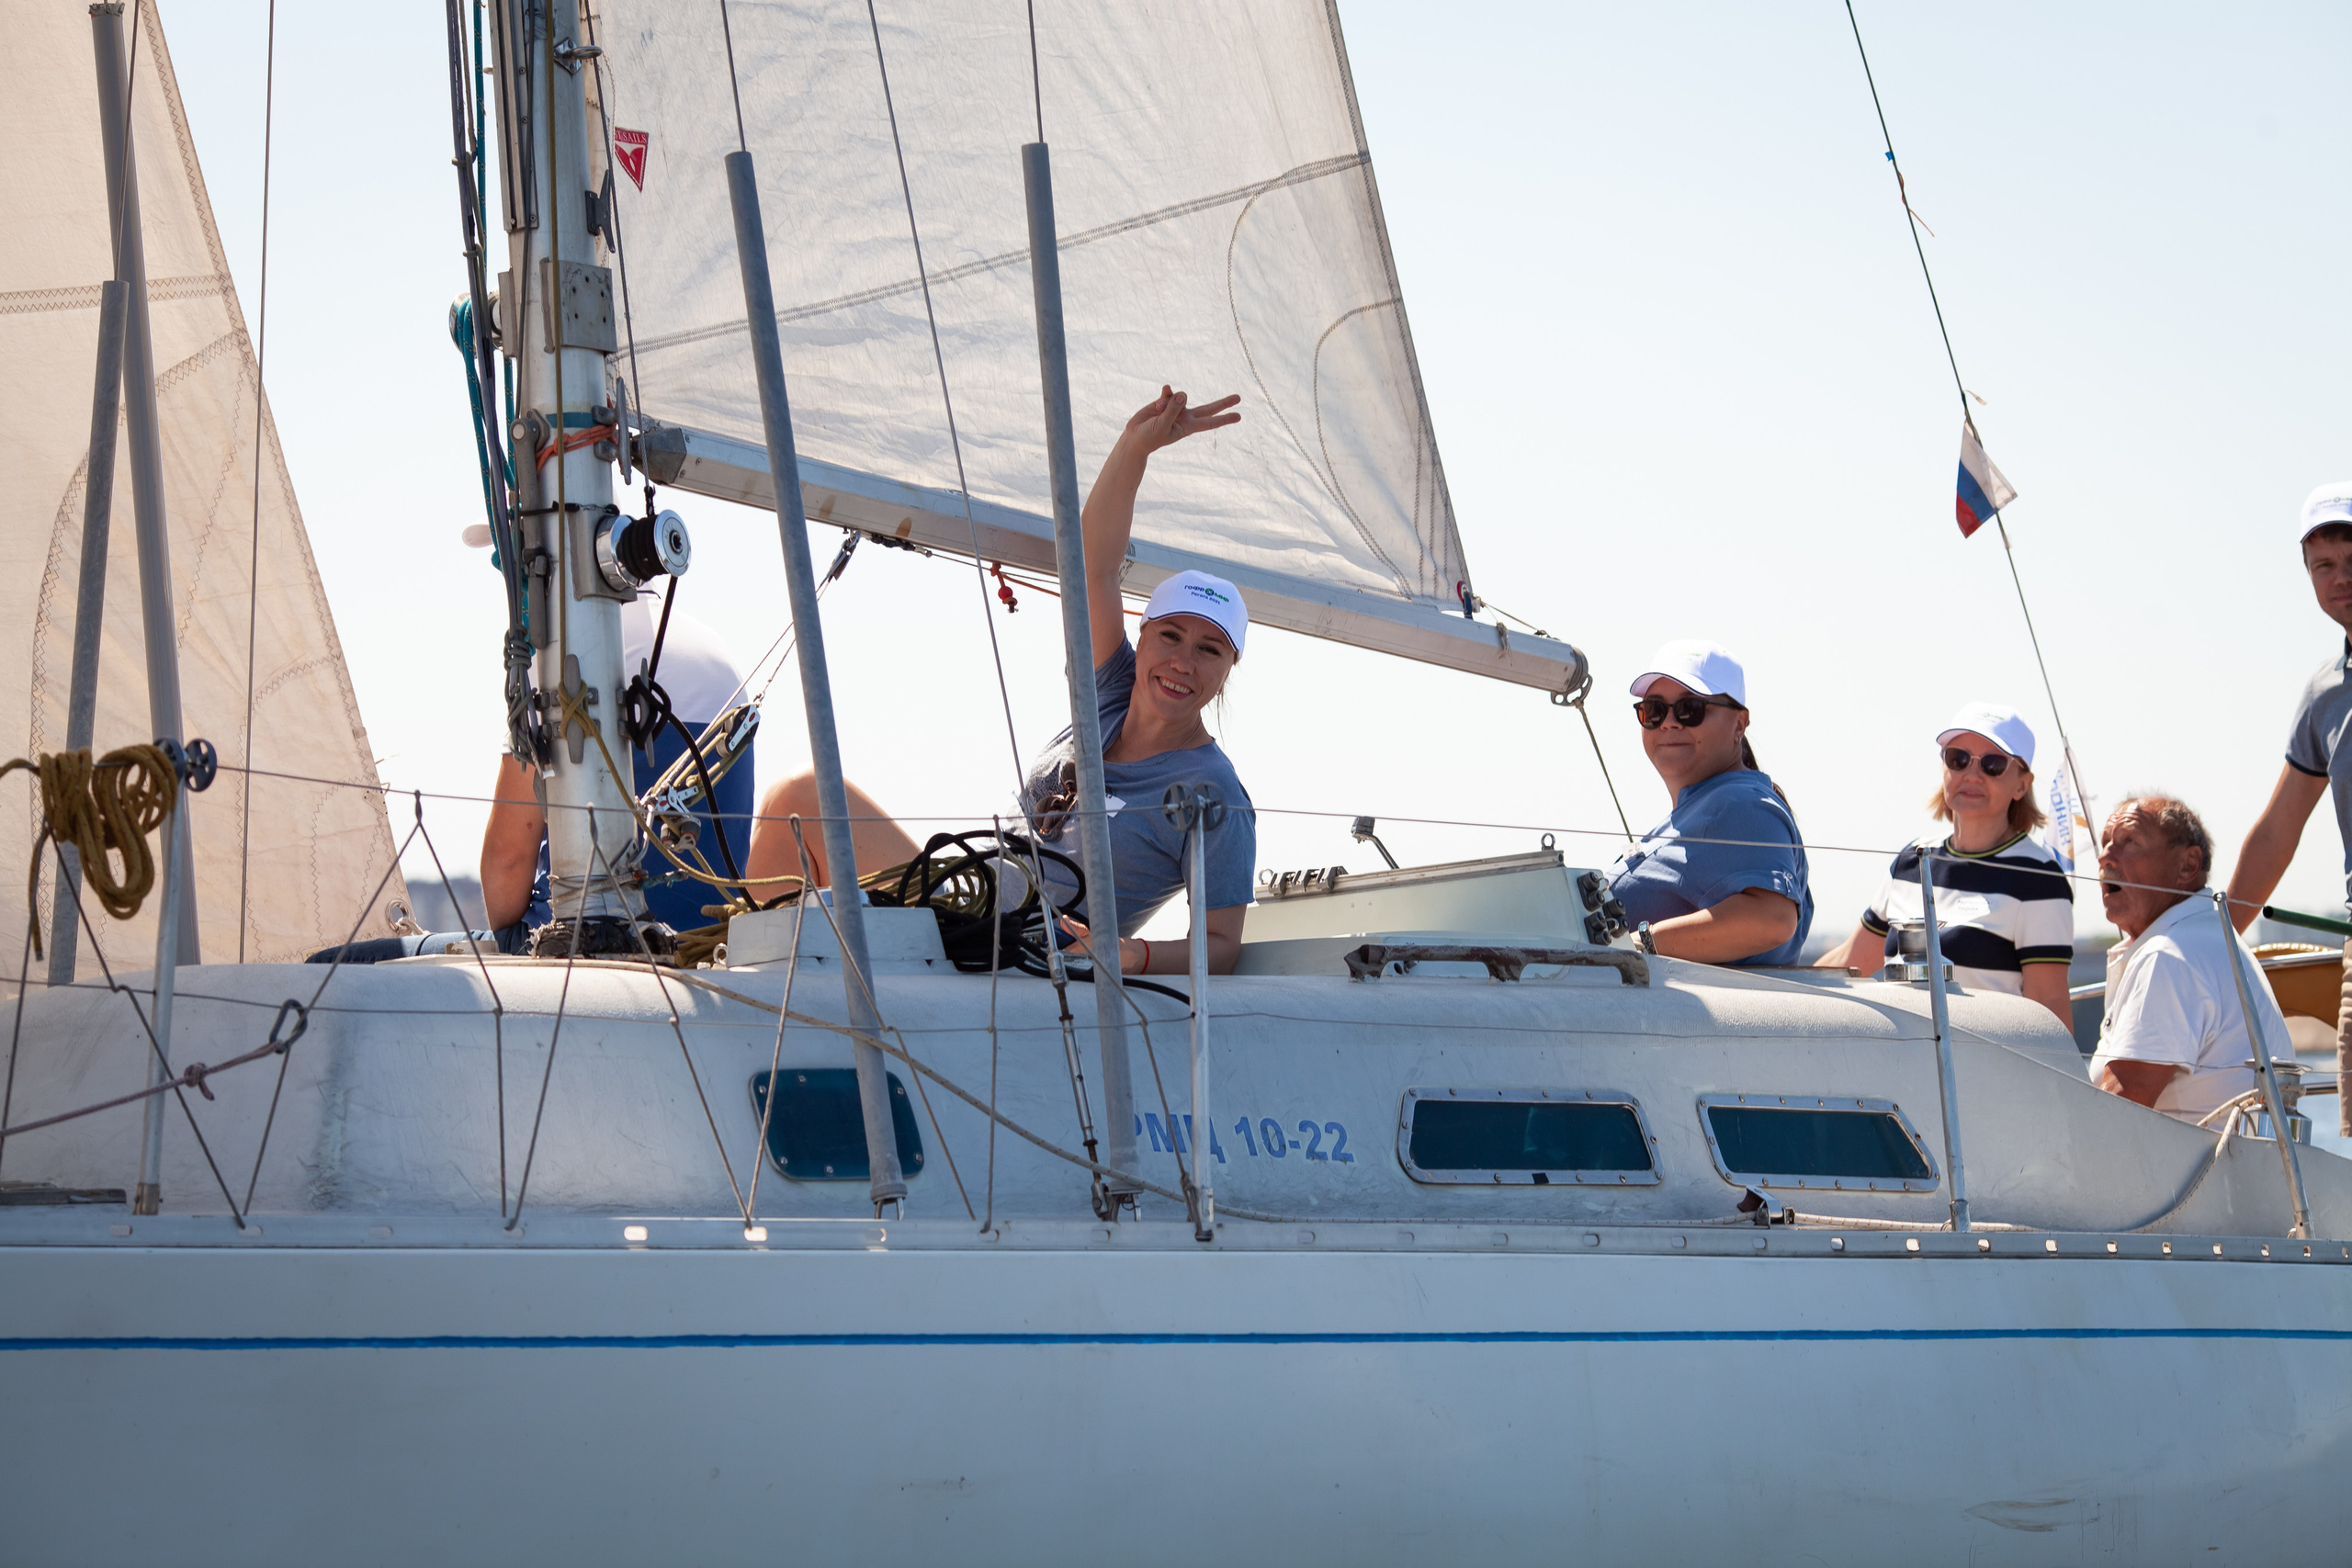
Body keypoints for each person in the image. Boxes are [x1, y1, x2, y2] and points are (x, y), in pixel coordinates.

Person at [745, 385, 1257, 976]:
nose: (1183, 663)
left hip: (1022, 960)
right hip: (962, 903)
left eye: (1209, 649)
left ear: (1228, 668)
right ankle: (766, 992)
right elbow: (1091, 564)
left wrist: (1122, 954)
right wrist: (1136, 448)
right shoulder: (1108, 694)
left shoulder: (1214, 793)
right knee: (796, 803)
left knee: (804, 799)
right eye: (1170, 637)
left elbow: (1222, 944)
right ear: (1142, 638)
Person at [479, 587, 754, 947]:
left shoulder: (555, 661)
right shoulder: (718, 654)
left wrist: (506, 944)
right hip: (708, 947)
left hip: (579, 949)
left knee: (390, 955)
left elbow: (508, 861)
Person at [2223, 481, 2352, 1134]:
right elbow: (2278, 832)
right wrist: (2212, 939)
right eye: (2324, 565)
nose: (2340, 578)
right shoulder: (2324, 693)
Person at [1815, 702, 2073, 1025]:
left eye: (1992, 764)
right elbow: (1850, 962)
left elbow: (2049, 1008)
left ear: (2022, 784)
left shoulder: (2039, 878)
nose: (1972, 774)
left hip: (1988, 1072)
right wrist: (1771, 989)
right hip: (1898, 1067)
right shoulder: (1912, 860)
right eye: (1959, 759)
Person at [1604, 639, 1812, 965]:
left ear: (1739, 724)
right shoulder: (1708, 808)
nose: (1669, 722)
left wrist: (1637, 946)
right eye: (1654, 710)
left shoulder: (1743, 804)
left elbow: (1771, 919)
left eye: (1690, 709)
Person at [2090, 796, 2290, 1122]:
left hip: (2196, 1173)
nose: (2104, 856)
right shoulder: (2207, 936)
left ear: (2188, 865)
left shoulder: (2169, 956)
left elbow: (2116, 1112)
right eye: (2105, 843)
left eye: (2128, 841)